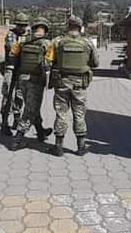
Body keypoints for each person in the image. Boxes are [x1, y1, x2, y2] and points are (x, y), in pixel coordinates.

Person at [48, 15, 99, 157]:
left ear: (68, 26)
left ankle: (58, 147)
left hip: (62, 82)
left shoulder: (57, 42)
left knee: (61, 113)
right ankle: (81, 147)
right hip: (80, 84)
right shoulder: (88, 43)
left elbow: (50, 59)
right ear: (80, 27)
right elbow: (95, 63)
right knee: (79, 113)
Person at [8, 17, 54, 151]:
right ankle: (17, 140)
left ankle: (40, 132)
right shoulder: (47, 44)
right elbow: (48, 62)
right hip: (35, 80)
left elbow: (12, 55)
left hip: (22, 78)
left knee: (32, 105)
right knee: (29, 110)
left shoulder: (22, 41)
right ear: (45, 29)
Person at [0, 13, 29, 135]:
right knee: (8, 95)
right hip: (11, 68)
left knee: (19, 95)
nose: (22, 28)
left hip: (22, 70)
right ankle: (4, 122)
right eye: (20, 25)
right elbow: (12, 48)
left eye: (24, 25)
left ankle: (17, 118)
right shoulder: (11, 35)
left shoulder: (27, 36)